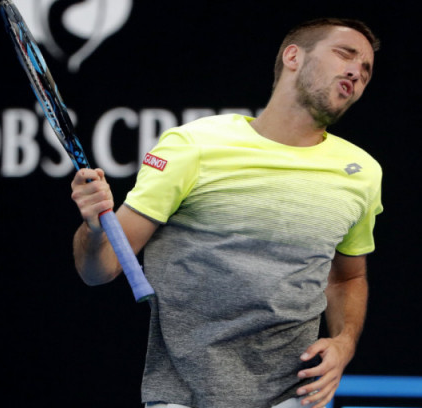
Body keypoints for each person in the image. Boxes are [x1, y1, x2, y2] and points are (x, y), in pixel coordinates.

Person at [71, 17, 382, 408]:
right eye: (345, 54)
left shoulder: (362, 172)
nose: (356, 71)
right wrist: (94, 228)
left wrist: (344, 342)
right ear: (293, 57)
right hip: (185, 396)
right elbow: (99, 269)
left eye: (366, 69)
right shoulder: (193, 146)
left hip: (293, 396)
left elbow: (348, 277)